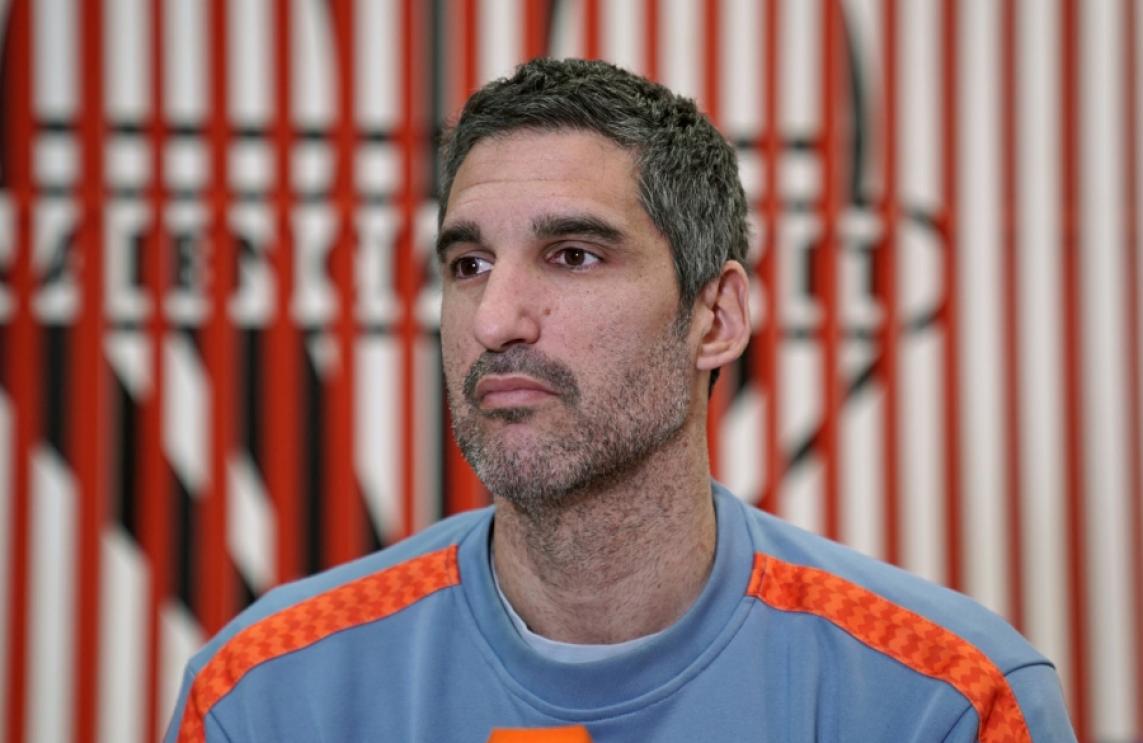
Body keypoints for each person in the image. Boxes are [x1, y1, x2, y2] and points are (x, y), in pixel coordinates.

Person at [166, 58, 1074, 743]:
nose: (496, 319)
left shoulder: (944, 700)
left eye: (572, 256)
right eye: (468, 264)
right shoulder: (266, 692)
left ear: (715, 317)